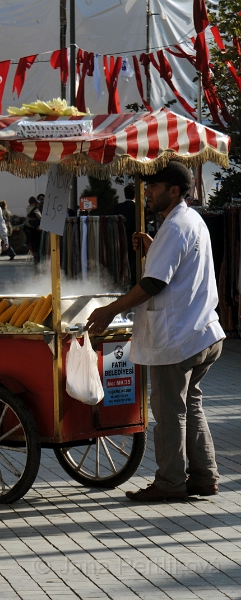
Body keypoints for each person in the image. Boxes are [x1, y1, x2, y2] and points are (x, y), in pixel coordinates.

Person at [86, 161, 225, 502]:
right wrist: (153, 247)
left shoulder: (176, 226)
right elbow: (178, 267)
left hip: (178, 338)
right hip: (203, 331)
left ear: (173, 191)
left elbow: (153, 283)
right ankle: (205, 476)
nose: (148, 193)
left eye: (154, 187)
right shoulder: (188, 221)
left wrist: (109, 310)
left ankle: (170, 482)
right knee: (190, 404)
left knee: (168, 411)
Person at [114, 183, 136, 286]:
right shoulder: (138, 208)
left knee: (120, 261)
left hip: (119, 240)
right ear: (135, 195)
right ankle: (132, 280)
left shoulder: (117, 208)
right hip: (134, 240)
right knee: (133, 262)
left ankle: (120, 280)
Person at [24, 195, 43, 270]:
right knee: (37, 248)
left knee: (33, 245)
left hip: (30, 228)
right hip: (36, 229)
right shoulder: (35, 209)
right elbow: (39, 216)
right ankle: (38, 265)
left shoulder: (28, 208)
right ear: (33, 203)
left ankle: (27, 243)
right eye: (36, 203)